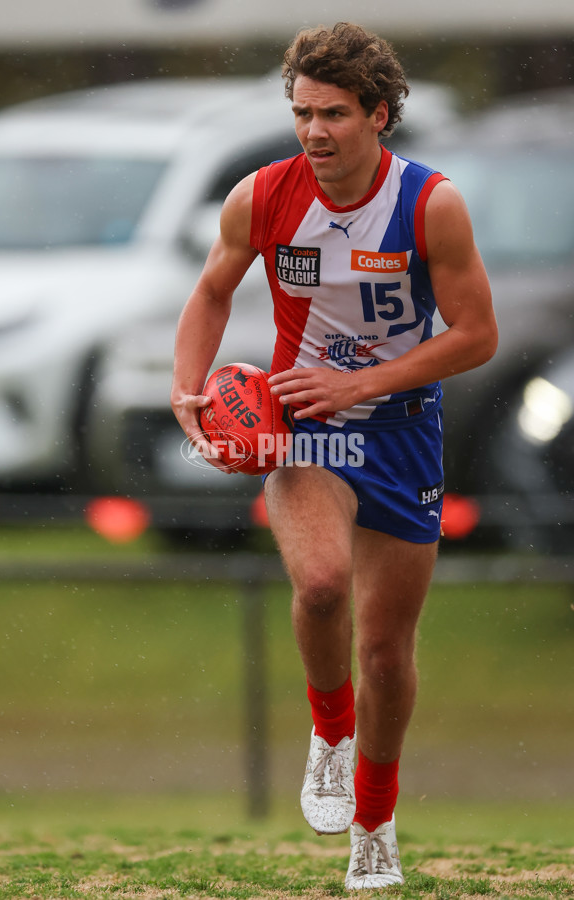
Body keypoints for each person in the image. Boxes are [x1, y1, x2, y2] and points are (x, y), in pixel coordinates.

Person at [171, 22, 497, 891]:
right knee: (319, 586)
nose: (314, 131)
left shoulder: (431, 204)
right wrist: (186, 385)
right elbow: (210, 291)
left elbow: (478, 336)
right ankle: (328, 732)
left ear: (379, 115)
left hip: (400, 435)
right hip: (304, 431)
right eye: (302, 112)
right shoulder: (262, 195)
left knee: (387, 652)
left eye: (335, 114)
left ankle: (376, 826)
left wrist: (368, 383)